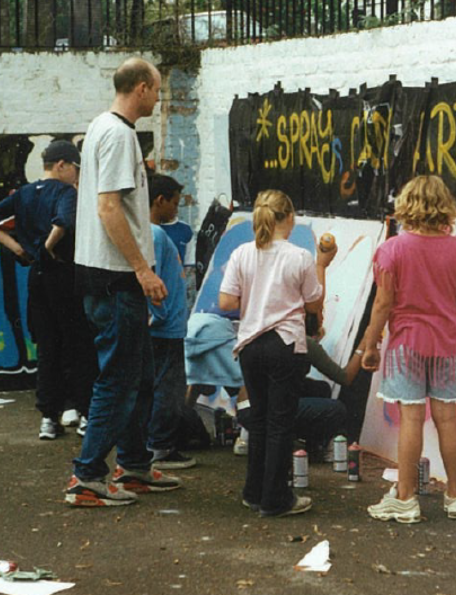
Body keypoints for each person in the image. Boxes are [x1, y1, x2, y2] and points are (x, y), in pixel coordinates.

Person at [65, 57, 180, 508]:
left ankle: (133, 463)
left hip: (105, 275)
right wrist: (142, 269)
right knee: (118, 380)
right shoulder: (117, 134)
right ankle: (87, 476)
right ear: (141, 88)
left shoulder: (102, 128)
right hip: (114, 278)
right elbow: (109, 208)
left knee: (139, 374)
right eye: (156, 88)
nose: (158, 96)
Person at [359, 175, 456, 524]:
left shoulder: (393, 249)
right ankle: (455, 495)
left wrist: (370, 344)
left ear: (406, 205)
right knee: (446, 418)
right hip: (447, 344)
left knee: (411, 418)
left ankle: (406, 498)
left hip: (406, 344)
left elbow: (382, 304)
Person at [218, 190, 336, 517]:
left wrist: (256, 303)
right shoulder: (299, 256)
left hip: (250, 343)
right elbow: (314, 303)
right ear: (290, 217)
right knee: (280, 423)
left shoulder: (243, 253)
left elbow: (227, 302)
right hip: (284, 343)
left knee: (259, 419)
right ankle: (276, 498)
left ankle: (253, 491)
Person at [0, 139, 96, 441]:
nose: (77, 176)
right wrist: (47, 248)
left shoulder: (24, 194)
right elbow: (64, 221)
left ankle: (49, 418)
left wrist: (21, 250)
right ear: (61, 165)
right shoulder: (67, 192)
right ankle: (85, 413)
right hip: (65, 276)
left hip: (37, 279)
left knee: (47, 348)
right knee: (78, 346)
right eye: (76, 169)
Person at [235, 339, 364, 460]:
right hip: (263, 412)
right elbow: (345, 377)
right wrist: (366, 343)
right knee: (336, 409)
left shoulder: (270, 336)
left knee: (320, 388)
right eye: (320, 313)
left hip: (245, 410)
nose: (323, 317)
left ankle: (248, 437)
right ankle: (319, 448)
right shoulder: (302, 340)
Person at [146, 214, 197, 470]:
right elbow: (150, 278)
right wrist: (157, 315)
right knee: (169, 387)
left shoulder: (153, 234)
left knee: (166, 386)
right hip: (164, 328)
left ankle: (157, 443)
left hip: (169, 325)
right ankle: (160, 446)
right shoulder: (153, 234)